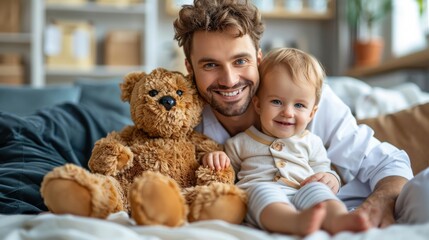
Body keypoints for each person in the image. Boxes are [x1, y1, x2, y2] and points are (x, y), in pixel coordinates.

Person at [173, 0, 428, 227]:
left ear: (259, 58)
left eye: (241, 61)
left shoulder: (305, 96)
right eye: (210, 65)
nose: (229, 80)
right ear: (189, 68)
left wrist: (380, 203)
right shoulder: (177, 116)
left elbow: (387, 162)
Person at [203, 47, 371, 235]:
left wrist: (331, 179)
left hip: (302, 190)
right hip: (262, 195)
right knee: (260, 193)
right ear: (258, 104)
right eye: (276, 102)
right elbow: (226, 175)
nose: (288, 112)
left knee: (319, 192)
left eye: (299, 105)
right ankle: (295, 222)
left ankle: (338, 219)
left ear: (312, 113)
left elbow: (323, 169)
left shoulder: (311, 142)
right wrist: (217, 157)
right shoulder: (239, 143)